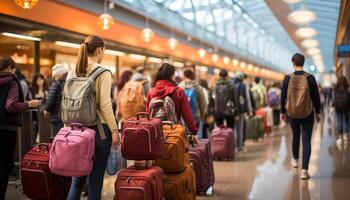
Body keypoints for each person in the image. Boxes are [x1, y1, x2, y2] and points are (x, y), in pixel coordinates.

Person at [66, 35, 120, 200]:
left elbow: (66, 101)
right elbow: (105, 105)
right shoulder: (103, 72)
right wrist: (115, 130)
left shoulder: (72, 71)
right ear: (99, 49)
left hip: (76, 130)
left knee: (77, 181)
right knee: (96, 180)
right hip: (99, 131)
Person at [0, 56, 41, 199]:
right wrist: (30, 104)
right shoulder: (11, 81)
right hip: (7, 130)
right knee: (4, 167)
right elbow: (11, 105)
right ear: (10, 68)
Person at [281, 53, 321, 180]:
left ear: (293, 63)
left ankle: (295, 159)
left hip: (292, 113)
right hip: (307, 113)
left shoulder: (287, 78)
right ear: (303, 63)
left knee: (295, 136)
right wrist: (318, 112)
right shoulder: (310, 78)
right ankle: (304, 170)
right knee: (306, 140)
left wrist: (283, 112)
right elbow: (316, 97)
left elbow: (283, 96)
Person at [146, 63, 198, 142]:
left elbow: (147, 114)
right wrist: (194, 132)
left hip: (155, 135)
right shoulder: (178, 92)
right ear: (172, 76)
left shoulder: (151, 92)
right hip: (174, 135)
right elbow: (187, 115)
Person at [179, 69, 208, 138]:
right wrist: (202, 115)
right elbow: (203, 103)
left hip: (182, 118)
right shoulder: (198, 87)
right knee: (194, 137)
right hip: (195, 117)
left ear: (184, 76)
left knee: (184, 138)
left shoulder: (180, 87)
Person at [43, 64, 68, 136]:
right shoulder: (70, 81)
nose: (54, 78)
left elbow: (50, 100)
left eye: (55, 75)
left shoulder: (57, 83)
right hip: (68, 117)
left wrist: (47, 110)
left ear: (59, 73)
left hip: (57, 117)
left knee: (57, 138)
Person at [232, 72, 254, 152]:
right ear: (241, 78)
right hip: (241, 110)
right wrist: (250, 110)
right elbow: (247, 99)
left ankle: (233, 147)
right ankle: (239, 147)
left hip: (232, 110)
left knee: (233, 128)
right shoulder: (243, 85)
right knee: (239, 129)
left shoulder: (231, 84)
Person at [332, 76, 350, 144]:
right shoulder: (348, 89)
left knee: (339, 122)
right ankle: (345, 136)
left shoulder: (335, 90)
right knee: (346, 122)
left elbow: (333, 99)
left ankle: (340, 138)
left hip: (338, 108)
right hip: (347, 108)